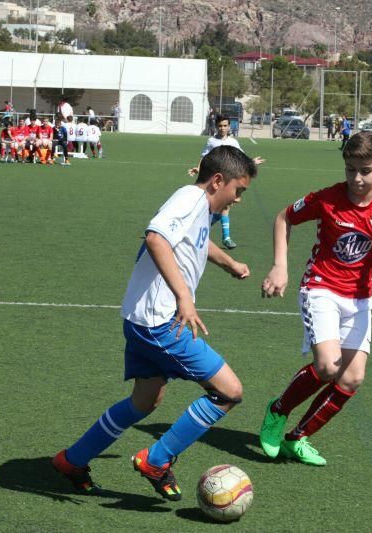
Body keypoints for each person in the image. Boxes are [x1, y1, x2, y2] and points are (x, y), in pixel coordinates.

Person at [52, 145, 257, 499]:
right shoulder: (191, 198)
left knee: (144, 402)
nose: (238, 199)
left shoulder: (198, 206)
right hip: (160, 322)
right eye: (238, 190)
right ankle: (156, 460)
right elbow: (156, 238)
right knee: (229, 392)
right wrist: (184, 298)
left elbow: (195, 241)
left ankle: (72, 460)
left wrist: (230, 264)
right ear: (218, 181)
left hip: (141, 318)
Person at [259, 131, 372, 466]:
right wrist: (279, 265)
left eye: (365, 171)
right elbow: (285, 217)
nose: (356, 178)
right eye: (350, 170)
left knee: (352, 377)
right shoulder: (327, 198)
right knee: (328, 366)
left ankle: (298, 438)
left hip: (359, 299)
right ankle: (277, 410)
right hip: (321, 288)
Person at [188, 113, 264, 250]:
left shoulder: (233, 142)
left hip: (228, 180)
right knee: (212, 207)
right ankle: (206, 231)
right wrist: (198, 168)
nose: (222, 128)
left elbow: (241, 158)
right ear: (216, 127)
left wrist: (252, 161)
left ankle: (224, 237)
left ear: (229, 127)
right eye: (220, 126)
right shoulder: (212, 141)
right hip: (215, 179)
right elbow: (204, 157)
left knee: (225, 207)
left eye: (225, 126)